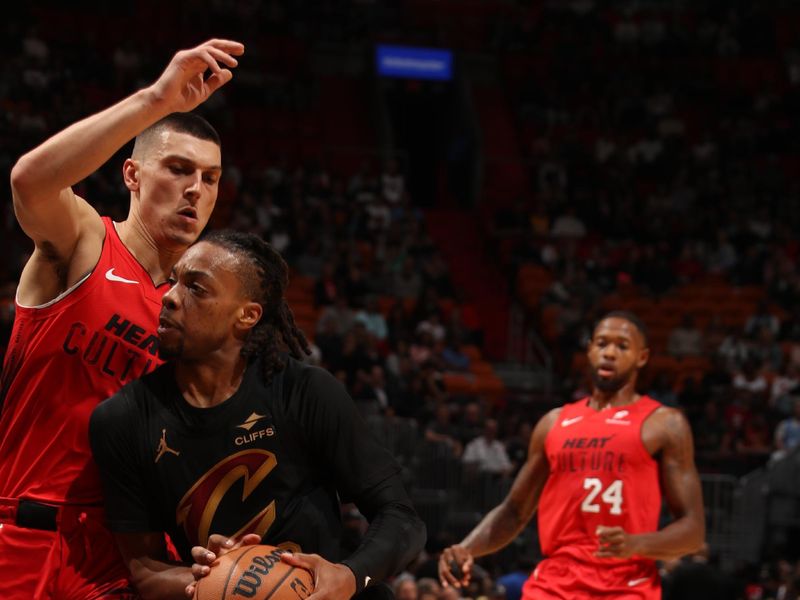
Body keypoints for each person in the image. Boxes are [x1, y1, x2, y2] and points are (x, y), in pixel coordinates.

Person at [0, 38, 245, 600]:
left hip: (125, 560)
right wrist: (156, 100)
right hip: (28, 534)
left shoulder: (204, 316)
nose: (195, 190)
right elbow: (28, 182)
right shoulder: (87, 242)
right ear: (132, 174)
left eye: (210, 178)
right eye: (179, 169)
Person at [89, 231, 427, 600]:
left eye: (196, 289)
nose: (169, 297)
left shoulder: (304, 391)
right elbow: (145, 571)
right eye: (172, 282)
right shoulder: (121, 419)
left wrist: (350, 575)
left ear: (247, 315)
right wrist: (213, 580)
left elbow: (401, 517)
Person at [439, 311, 705, 599]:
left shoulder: (665, 424)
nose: (610, 353)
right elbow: (514, 511)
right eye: (602, 344)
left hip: (626, 584)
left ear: (642, 357)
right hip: (556, 582)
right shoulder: (554, 422)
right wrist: (467, 548)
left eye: (622, 346)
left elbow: (692, 531)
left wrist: (635, 544)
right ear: (589, 349)